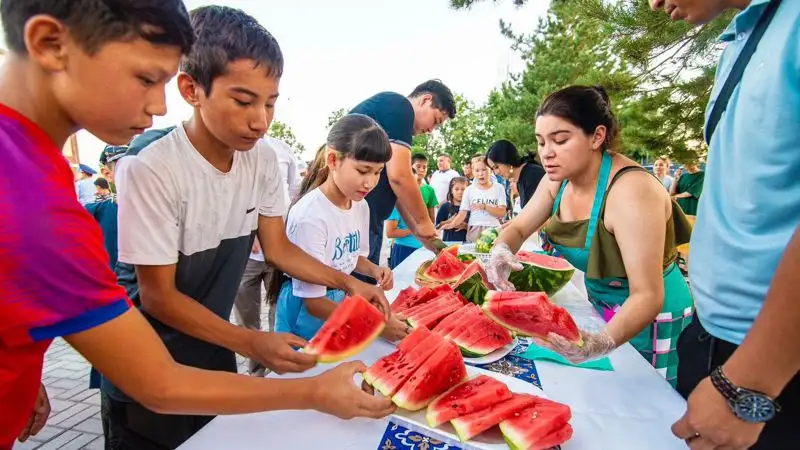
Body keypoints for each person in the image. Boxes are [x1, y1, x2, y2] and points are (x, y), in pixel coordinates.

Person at [0, 2, 392, 449]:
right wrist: (307, 388)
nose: (158, 105)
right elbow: (158, 380)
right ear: (50, 45)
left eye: (270, 103)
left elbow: (277, 248)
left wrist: (22, 364)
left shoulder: (33, 168)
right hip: (154, 371)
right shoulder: (36, 204)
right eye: (147, 79)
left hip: (208, 357)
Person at [650, 1, 800, 449]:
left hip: (772, 367)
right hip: (712, 339)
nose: (653, 4)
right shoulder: (741, 38)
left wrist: (753, 382)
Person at [486, 85, 694, 387]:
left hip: (654, 318)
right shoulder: (556, 181)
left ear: (597, 136)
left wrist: (601, 342)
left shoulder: (632, 191)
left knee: (648, 408)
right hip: (602, 307)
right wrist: (501, 251)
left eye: (560, 140)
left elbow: (647, 295)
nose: (547, 152)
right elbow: (517, 228)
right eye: (541, 142)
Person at [275, 115, 404, 341]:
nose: (370, 182)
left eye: (378, 173)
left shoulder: (360, 206)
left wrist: (374, 270)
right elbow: (314, 303)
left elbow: (350, 257)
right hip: (307, 312)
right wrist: (375, 326)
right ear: (333, 160)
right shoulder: (310, 216)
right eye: (363, 171)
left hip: (338, 301)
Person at [350, 80, 457, 280]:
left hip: (368, 219)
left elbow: (396, 190)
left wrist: (419, 231)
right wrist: (425, 221)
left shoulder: (395, 119)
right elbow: (399, 176)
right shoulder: (401, 107)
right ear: (426, 100)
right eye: (436, 120)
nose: (432, 130)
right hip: (352, 220)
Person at [234, 136, 302, 377]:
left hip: (278, 251)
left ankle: (276, 368)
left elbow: (294, 194)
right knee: (246, 318)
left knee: (278, 311)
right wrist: (249, 230)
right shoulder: (233, 149)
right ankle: (256, 372)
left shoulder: (283, 150)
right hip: (245, 254)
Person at [442, 155, 507, 242]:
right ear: (473, 172)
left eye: (484, 169)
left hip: (494, 229)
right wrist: (450, 225)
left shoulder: (499, 188)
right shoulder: (469, 190)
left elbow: (502, 212)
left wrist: (484, 206)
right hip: (474, 228)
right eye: (477, 170)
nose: (480, 173)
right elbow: (462, 213)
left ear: (491, 170)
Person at [386, 163, 438, 268]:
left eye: (417, 182)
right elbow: (390, 232)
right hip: (404, 249)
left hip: (421, 249)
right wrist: (416, 230)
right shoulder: (397, 204)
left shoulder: (417, 204)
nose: (415, 186)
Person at [486, 139, 546, 210]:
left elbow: (540, 212)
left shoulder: (532, 174)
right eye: (492, 169)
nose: (496, 173)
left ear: (507, 160)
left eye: (496, 167)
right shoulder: (521, 178)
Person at [435, 177, 470, 242]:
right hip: (448, 244)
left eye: (463, 189)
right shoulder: (445, 207)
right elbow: (437, 226)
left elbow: (476, 227)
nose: (460, 192)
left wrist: (466, 226)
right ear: (451, 191)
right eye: (456, 189)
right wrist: (449, 221)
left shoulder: (470, 207)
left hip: (466, 244)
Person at [411, 153, 439, 221]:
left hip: (422, 227)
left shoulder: (430, 189)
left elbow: (431, 216)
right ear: (411, 166)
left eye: (424, 167)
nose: (421, 170)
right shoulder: (403, 186)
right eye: (418, 166)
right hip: (403, 228)